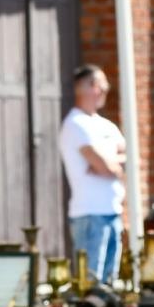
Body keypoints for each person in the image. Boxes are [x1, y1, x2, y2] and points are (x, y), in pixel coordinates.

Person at [59, 64, 127, 283]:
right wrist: (106, 165)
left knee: (110, 281)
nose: (105, 89)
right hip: (89, 214)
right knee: (90, 282)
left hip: (113, 211)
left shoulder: (106, 125)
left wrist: (108, 164)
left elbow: (127, 159)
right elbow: (104, 166)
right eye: (100, 84)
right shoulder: (75, 124)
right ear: (85, 88)